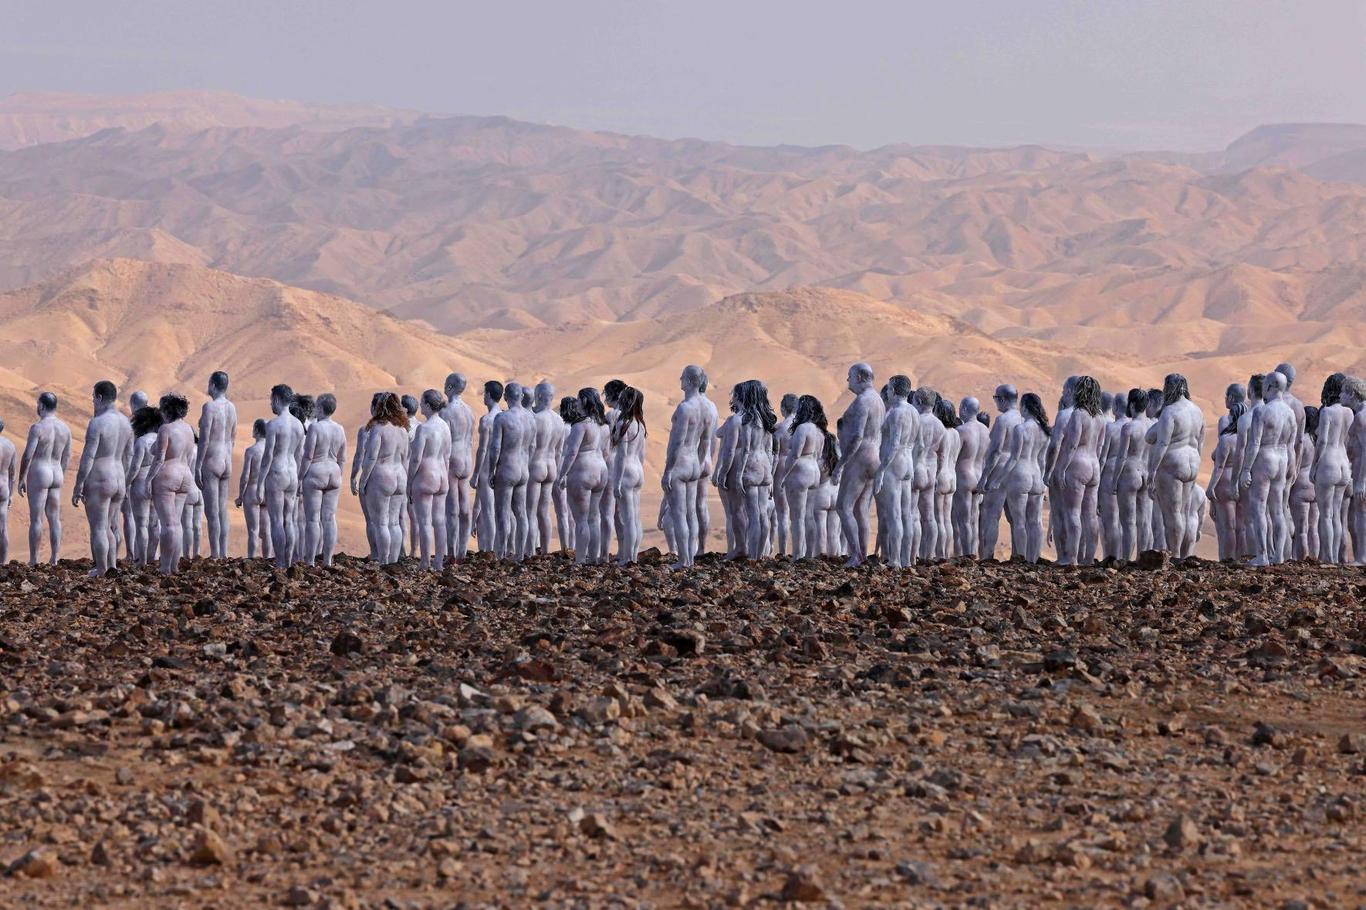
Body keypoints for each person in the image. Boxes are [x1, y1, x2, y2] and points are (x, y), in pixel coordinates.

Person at [71, 381, 133, 576]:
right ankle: (111, 567)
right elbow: (129, 456)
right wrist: (126, 480)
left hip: (100, 476)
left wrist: (78, 484)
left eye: (93, 398)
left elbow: (88, 456)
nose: (92, 401)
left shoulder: (97, 422)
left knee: (99, 527)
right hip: (118, 477)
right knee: (110, 526)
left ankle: (101, 568)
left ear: (99, 397)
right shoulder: (126, 423)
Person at [983, 392, 1050, 563]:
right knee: (1035, 521)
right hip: (1037, 476)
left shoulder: (1021, 429)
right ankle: (1033, 558)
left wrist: (998, 479)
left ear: (1025, 408)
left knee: (1020, 520)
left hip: (1021, 475)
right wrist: (1044, 481)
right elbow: (1042, 460)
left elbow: (1014, 459)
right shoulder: (1045, 431)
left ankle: (1020, 557)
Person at [1238, 371, 1295, 566]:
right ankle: (1278, 555)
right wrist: (1292, 468)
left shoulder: (1262, 412)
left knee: (1259, 508)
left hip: (1265, 458)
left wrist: (1246, 469)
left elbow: (1254, 444)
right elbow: (1291, 445)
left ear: (1270, 386)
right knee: (1278, 509)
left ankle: (1262, 555)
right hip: (1282, 459)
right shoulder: (1290, 413)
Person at [1049, 375, 1106, 566]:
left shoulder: (1078, 414)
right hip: (1094, 466)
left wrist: (1061, 469)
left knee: (1072, 512)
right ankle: (1088, 558)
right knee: (1090, 515)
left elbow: (1072, 445)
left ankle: (1070, 557)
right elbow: (1099, 446)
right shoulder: (1100, 416)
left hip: (1077, 465)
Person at [1149, 373, 1205, 558]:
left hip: (1173, 462)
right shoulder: (1198, 411)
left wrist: (1152, 471)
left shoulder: (1170, 411)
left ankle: (1173, 554)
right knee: (1182, 511)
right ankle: (1180, 554)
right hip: (1192, 462)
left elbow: (1162, 443)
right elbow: (1201, 443)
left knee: (1172, 513)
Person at [834, 363, 885, 566]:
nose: (848, 381)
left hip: (860, 458)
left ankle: (856, 554)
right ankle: (862, 553)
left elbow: (856, 436)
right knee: (861, 509)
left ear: (860, 378)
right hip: (874, 457)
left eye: (850, 376)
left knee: (843, 507)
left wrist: (840, 464)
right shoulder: (878, 401)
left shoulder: (864, 401)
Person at [661, 365, 711, 569]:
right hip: (694, 463)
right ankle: (689, 558)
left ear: (690, 381)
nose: (680, 379)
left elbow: (676, 443)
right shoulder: (707, 408)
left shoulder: (685, 408)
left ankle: (684, 560)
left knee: (679, 513)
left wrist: (668, 470)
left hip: (680, 462)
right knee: (691, 513)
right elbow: (706, 442)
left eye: (682, 377)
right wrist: (698, 464)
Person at [18, 392, 72, 566]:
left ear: (41, 405)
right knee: (54, 518)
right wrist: (61, 473)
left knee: (36, 518)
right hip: (57, 472)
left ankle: (34, 559)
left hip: (40, 471)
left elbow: (28, 455)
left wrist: (21, 478)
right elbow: (67, 456)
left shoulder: (38, 427)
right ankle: (54, 558)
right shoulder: (65, 428)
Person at [725, 380, 777, 560]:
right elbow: (770, 450)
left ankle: (751, 556)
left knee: (753, 514)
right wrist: (770, 475)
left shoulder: (740, 420)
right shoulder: (766, 420)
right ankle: (759, 554)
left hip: (750, 468)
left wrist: (735, 475)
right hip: (764, 467)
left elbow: (742, 449)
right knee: (762, 514)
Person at [559, 387, 611, 565]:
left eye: (579, 399)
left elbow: (571, 452)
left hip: (583, 470)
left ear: (585, 401)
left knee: (581, 520)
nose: (576, 403)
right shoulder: (604, 425)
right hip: (601, 470)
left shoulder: (580, 425)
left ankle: (580, 559)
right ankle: (594, 558)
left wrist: (562, 474)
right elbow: (606, 452)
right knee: (594, 517)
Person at [358, 392, 410, 565]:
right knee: (394, 522)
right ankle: (394, 561)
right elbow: (405, 458)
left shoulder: (378, 429)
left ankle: (383, 561)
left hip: (382, 475)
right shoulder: (403, 429)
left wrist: (363, 480)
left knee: (381, 523)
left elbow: (371, 457)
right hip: (400, 476)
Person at [257, 384, 305, 568]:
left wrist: (260, 482)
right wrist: (299, 479)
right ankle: (291, 560)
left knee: (276, 520)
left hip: (277, 472)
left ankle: (280, 561)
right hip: (292, 473)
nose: (271, 404)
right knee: (289, 519)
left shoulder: (273, 424)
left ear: (277, 399)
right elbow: (299, 455)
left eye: (271, 400)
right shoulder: (299, 425)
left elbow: (268, 455)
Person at [779, 395, 833, 560]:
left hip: (800, 471)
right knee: (809, 515)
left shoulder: (802, 428)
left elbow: (794, 455)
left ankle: (797, 554)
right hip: (814, 472)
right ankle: (810, 553)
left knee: (797, 517)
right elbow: (818, 455)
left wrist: (784, 476)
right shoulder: (819, 431)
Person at [146, 394, 195, 575]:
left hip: (168, 474)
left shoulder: (165, 429)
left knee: (168, 524)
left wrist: (148, 479)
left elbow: (159, 457)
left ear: (167, 410)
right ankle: (173, 565)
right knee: (177, 524)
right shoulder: (189, 429)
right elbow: (189, 455)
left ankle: (165, 567)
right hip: (185, 475)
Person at [489, 381, 535, 561]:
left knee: (502, 512)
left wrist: (491, 470)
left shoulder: (502, 418)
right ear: (521, 397)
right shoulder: (531, 418)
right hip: (524, 469)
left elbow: (495, 448)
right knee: (521, 512)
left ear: (506, 397)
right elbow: (533, 446)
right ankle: (520, 554)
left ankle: (501, 553)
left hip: (507, 468)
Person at [874, 375, 917, 567]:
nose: (888, 392)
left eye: (890, 388)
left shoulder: (895, 413)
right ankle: (907, 559)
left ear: (894, 390)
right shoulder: (914, 412)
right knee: (907, 513)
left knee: (894, 514)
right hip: (908, 461)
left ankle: (895, 559)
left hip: (894, 462)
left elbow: (894, 443)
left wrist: (881, 469)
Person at [300, 393, 346, 566]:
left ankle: (310, 560)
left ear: (320, 408)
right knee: (330, 518)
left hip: (316, 471)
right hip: (334, 472)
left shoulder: (315, 428)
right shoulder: (340, 429)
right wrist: (338, 474)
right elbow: (342, 457)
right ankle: (328, 559)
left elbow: (308, 455)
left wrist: (300, 477)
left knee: (312, 519)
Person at [977, 384, 1022, 560]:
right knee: (1016, 517)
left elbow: (995, 451)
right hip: (1016, 470)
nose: (996, 403)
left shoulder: (1003, 420)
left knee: (991, 515)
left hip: (999, 469)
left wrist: (985, 478)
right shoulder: (1022, 418)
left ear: (1003, 399)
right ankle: (1019, 554)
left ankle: (987, 555)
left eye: (996, 399)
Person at [195, 371, 237, 559]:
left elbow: (204, 439)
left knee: (211, 511)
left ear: (212, 385)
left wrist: (198, 466)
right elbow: (233, 436)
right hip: (226, 460)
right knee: (222, 510)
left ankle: (215, 554)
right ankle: (223, 551)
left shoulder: (209, 407)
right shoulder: (232, 407)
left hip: (211, 460)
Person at [409, 389, 452, 571]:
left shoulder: (424, 428)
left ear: (427, 405)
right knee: (439, 520)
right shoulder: (445, 426)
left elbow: (416, 458)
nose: (420, 405)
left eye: (422, 402)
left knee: (425, 521)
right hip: (442, 474)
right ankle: (439, 562)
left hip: (426, 475)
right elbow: (447, 455)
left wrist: (410, 481)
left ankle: (425, 561)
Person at [1311, 373, 1352, 563]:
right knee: (1336, 514)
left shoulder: (1327, 412)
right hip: (1344, 464)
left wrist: (1314, 466)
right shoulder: (1349, 412)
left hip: (1328, 462)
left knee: (1325, 515)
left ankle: (1328, 558)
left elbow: (1323, 441)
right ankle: (1335, 557)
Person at [440, 373, 476, 561]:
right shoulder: (469, 411)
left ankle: (452, 552)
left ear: (451, 387)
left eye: (446, 384)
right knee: (465, 507)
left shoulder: (446, 411)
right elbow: (470, 438)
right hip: (466, 459)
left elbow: (445, 442)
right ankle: (463, 550)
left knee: (452, 509)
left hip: (453, 459)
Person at [526, 381, 564, 555]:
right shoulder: (559, 421)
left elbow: (531, 447)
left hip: (537, 464)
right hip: (551, 466)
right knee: (544, 511)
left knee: (531, 511)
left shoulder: (536, 419)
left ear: (539, 396)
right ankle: (546, 549)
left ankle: (531, 551)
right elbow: (559, 450)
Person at [610, 386, 646, 565]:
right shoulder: (640, 423)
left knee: (628, 517)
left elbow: (621, 455)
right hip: (638, 470)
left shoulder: (624, 423)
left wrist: (616, 482)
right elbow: (641, 454)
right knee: (635, 516)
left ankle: (627, 557)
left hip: (626, 473)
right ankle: (633, 554)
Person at [1206, 403, 1244, 562]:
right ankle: (1242, 558)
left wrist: (1210, 487)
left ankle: (1228, 559)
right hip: (1242, 483)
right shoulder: (1247, 438)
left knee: (1229, 527)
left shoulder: (1226, 439)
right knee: (1242, 527)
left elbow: (1219, 465)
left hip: (1225, 482)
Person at [952, 397, 989, 558]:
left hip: (964, 476)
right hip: (979, 476)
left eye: (960, 407)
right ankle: (973, 552)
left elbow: (953, 456)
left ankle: (967, 555)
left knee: (964, 520)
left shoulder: (962, 430)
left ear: (965, 409)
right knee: (974, 519)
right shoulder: (986, 431)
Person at [911, 387, 944, 561]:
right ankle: (929, 555)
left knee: (913, 516)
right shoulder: (940, 425)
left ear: (919, 401)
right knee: (929, 517)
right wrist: (937, 475)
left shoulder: (916, 421)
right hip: (931, 472)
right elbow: (942, 455)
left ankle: (912, 554)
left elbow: (913, 448)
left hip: (916, 469)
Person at [1097, 390, 1130, 561]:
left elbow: (1102, 457)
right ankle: (1124, 557)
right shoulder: (1131, 425)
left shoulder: (1109, 426)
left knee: (1110, 521)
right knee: (1126, 521)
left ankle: (1112, 557)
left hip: (1109, 473)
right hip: (1130, 474)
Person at [350, 393, 383, 559]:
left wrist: (354, 477)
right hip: (393, 478)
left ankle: (376, 553)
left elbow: (359, 456)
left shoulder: (366, 430)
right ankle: (393, 555)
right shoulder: (398, 429)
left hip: (371, 478)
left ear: (373, 408)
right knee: (390, 520)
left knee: (371, 520)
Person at [472, 381, 503, 553]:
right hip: (502, 467)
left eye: (485, 393)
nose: (483, 396)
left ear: (489, 395)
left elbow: (482, 449)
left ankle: (490, 550)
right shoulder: (504, 416)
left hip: (487, 468)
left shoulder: (487, 420)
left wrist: (476, 474)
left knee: (488, 510)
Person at [235, 418, 271, 559]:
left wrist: (240, 496)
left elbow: (245, 476)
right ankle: (267, 560)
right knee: (266, 532)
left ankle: (251, 559)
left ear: (256, 430)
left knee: (253, 531)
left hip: (252, 490)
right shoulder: (270, 451)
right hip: (267, 491)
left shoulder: (251, 451)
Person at [933, 398, 962, 560]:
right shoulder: (956, 433)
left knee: (939, 518)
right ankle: (945, 552)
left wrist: (937, 475)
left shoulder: (942, 432)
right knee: (947, 519)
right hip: (953, 477)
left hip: (942, 476)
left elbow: (941, 456)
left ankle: (939, 554)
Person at [694, 371, 719, 556]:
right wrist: (709, 458)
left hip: (691, 459)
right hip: (707, 460)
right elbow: (713, 439)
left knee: (687, 506)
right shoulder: (712, 407)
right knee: (701, 505)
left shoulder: (689, 406)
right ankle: (701, 547)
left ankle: (689, 549)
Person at [1290, 406, 1319, 561]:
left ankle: (1301, 560)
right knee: (1313, 528)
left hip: (1300, 486)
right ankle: (1314, 558)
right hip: (1316, 487)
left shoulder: (1302, 441)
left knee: (1301, 530)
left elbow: (1295, 465)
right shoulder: (1318, 441)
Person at [773, 393, 798, 556]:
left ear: (783, 409)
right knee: (799, 515)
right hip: (800, 468)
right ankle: (800, 552)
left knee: (782, 513)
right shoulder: (804, 427)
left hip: (782, 467)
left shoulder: (779, 429)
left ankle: (782, 551)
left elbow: (774, 455)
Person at [557, 396, 581, 552]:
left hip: (562, 466)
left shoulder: (562, 427)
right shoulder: (577, 427)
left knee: (562, 511)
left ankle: (565, 546)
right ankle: (574, 545)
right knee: (575, 512)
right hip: (577, 468)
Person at [0, 419, 14, 563]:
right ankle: (3, 564)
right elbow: (12, 475)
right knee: (3, 528)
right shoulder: (10, 445)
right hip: (3, 488)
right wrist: (11, 494)